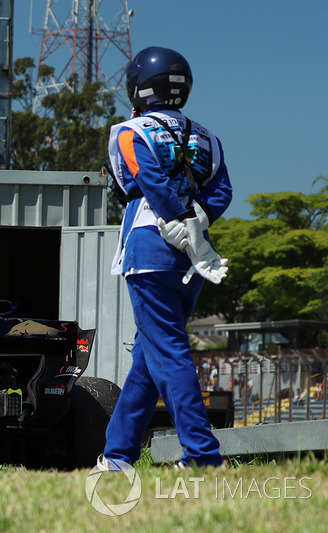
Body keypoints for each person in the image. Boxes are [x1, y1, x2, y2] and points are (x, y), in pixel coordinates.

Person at [98, 47, 232, 469]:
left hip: (150, 249)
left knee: (168, 352)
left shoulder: (129, 130)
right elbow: (222, 191)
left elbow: (147, 180)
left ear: (138, 87)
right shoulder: (209, 137)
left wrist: (174, 218)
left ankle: (203, 456)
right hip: (194, 259)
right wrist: (196, 223)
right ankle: (118, 455)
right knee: (148, 356)